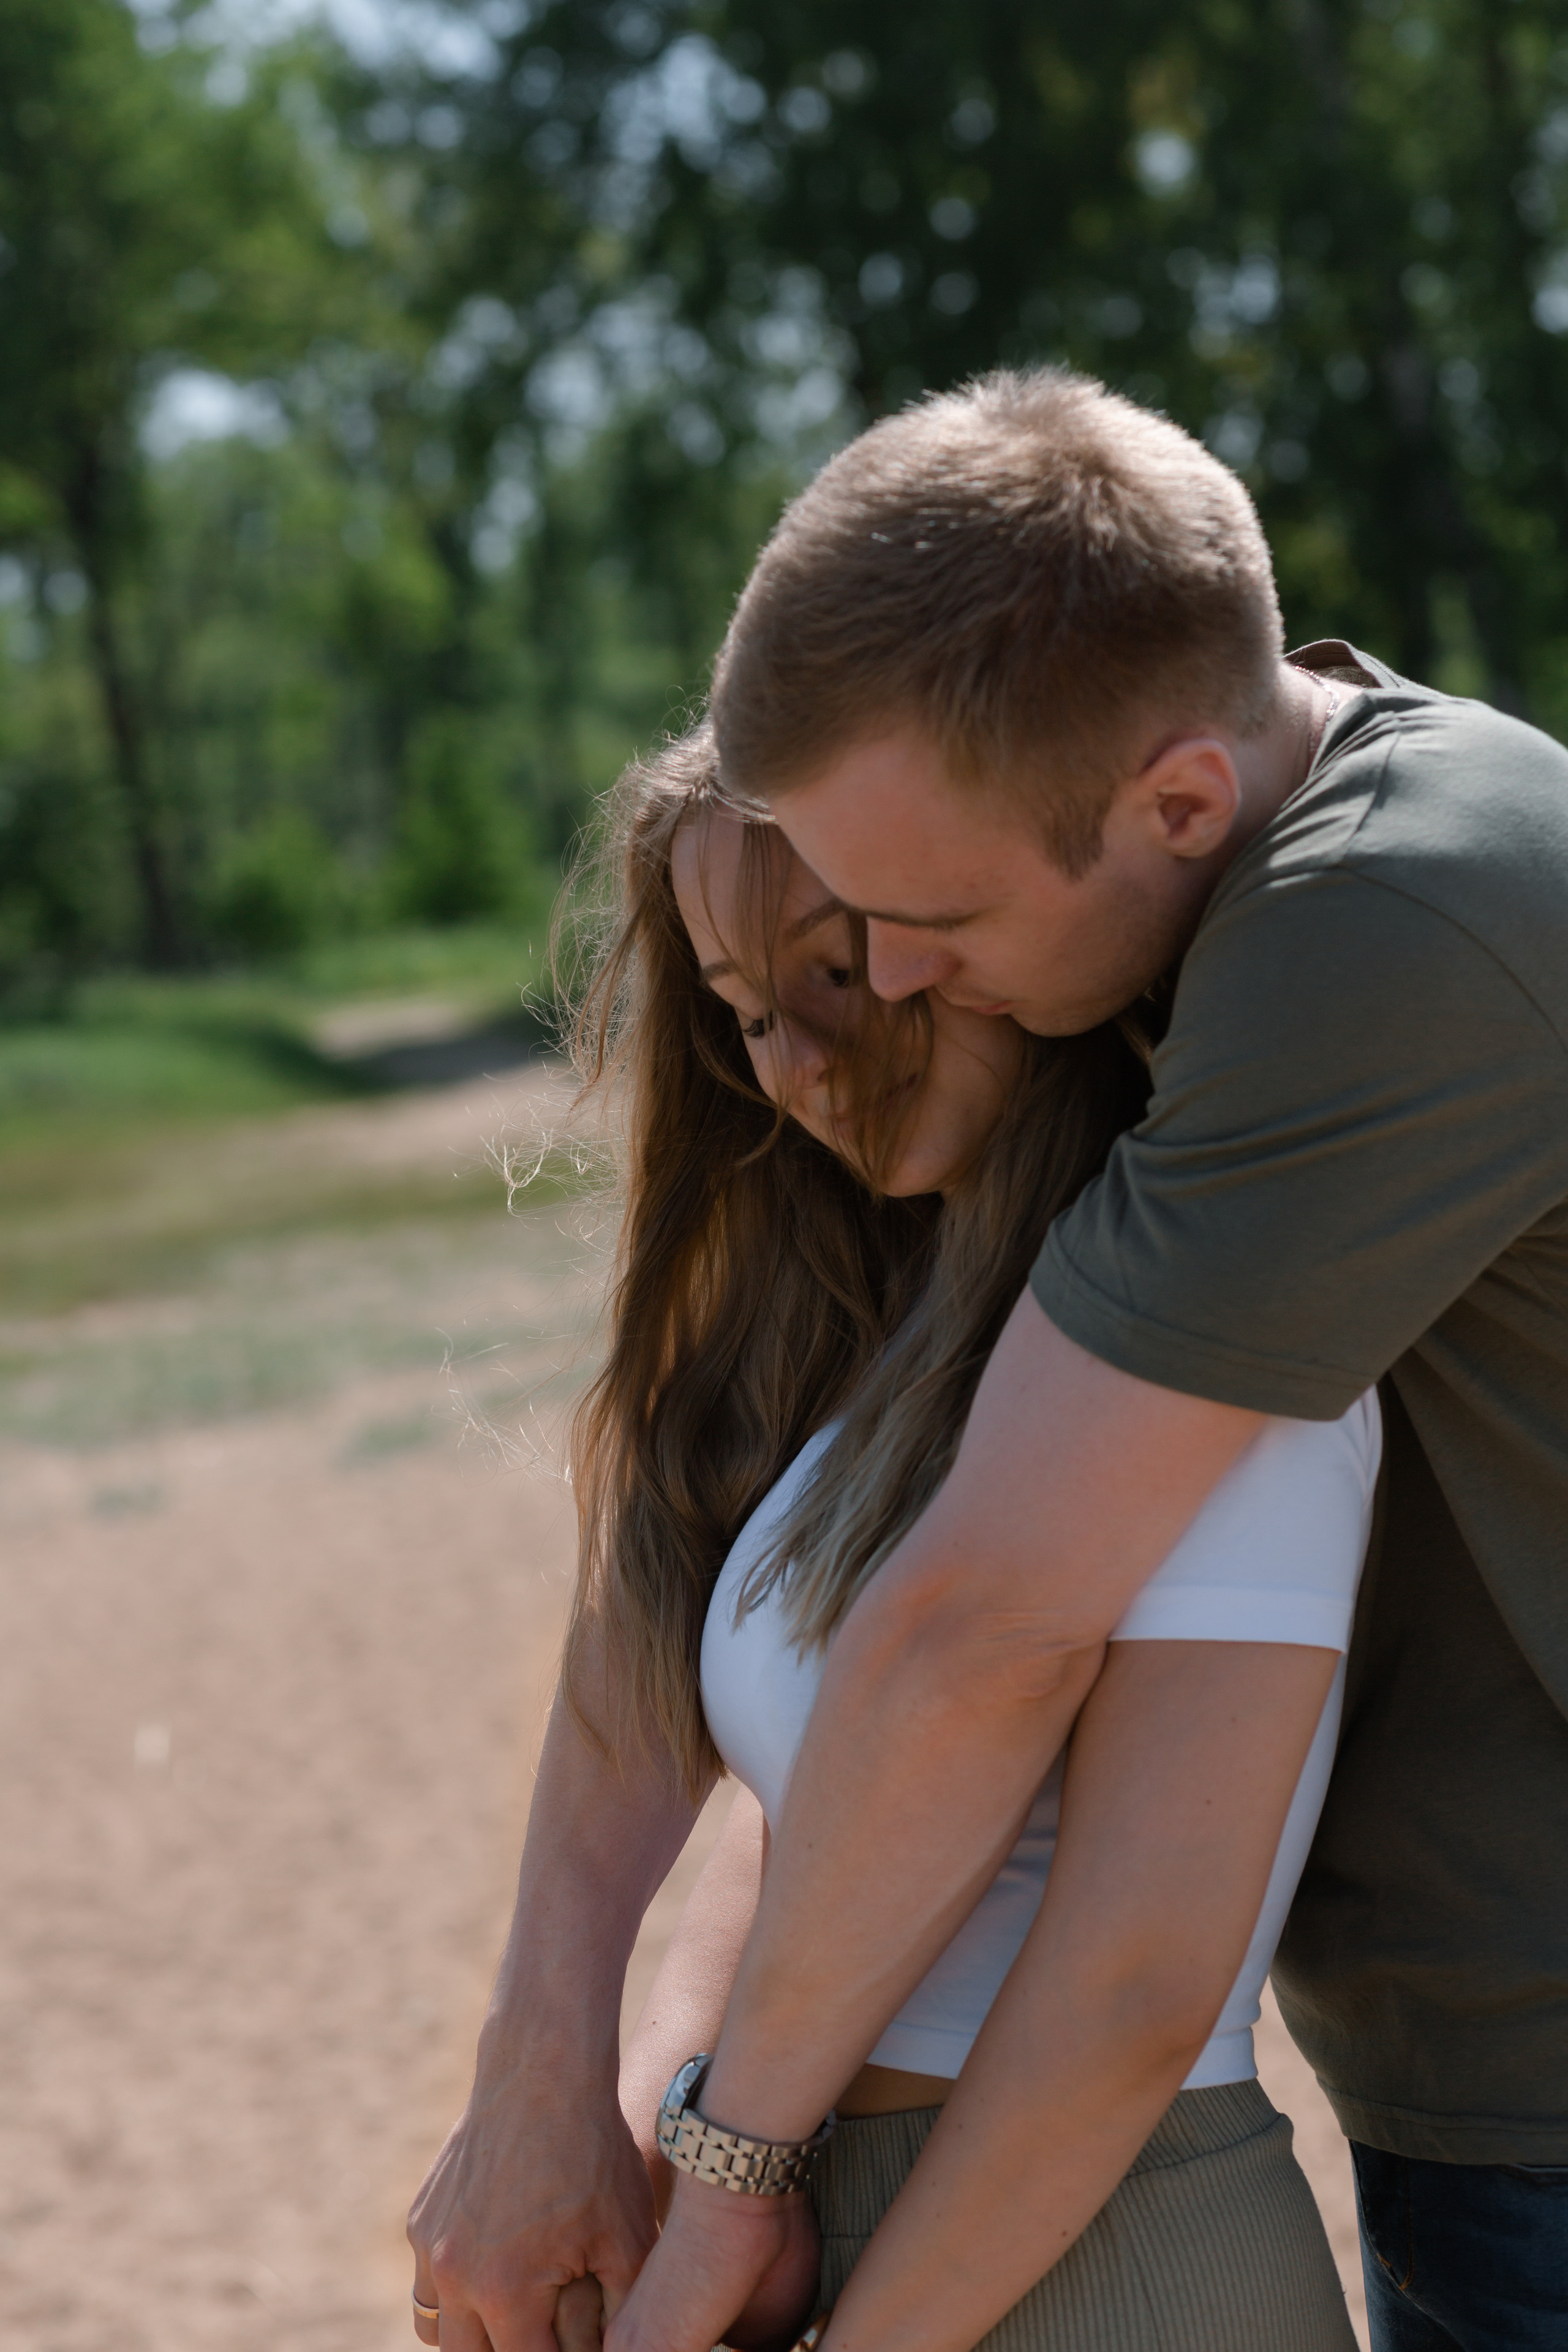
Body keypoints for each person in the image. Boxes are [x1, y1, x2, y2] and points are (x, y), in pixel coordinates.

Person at [602, 369, 1568, 2352]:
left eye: (928, 917)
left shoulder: (1377, 921)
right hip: (1466, 2077)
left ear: (1180, 804)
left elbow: (984, 1625)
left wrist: (722, 2181)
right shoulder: (1243, 862)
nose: (889, 982)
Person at [409, 723, 1376, 2352]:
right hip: (856, 2235)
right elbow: (812, 1799)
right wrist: (649, 2125)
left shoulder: (1217, 1354)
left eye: (836, 968)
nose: (794, 1060)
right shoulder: (893, 1354)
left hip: (1105, 2260)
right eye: (744, 1011)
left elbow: (1138, 1994)